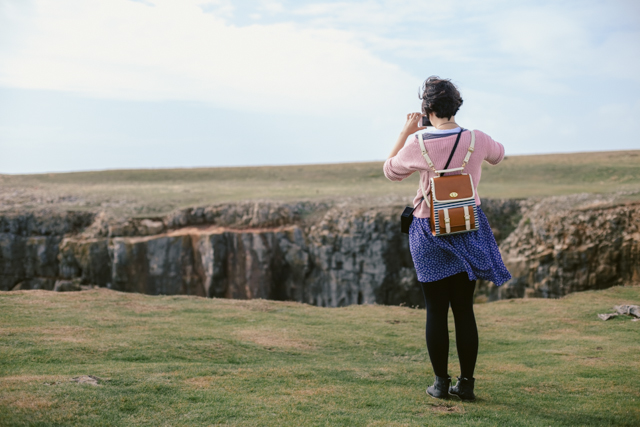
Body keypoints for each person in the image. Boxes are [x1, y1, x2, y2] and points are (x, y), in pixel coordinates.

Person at [383, 76, 511, 401]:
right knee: (464, 309)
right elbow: (500, 155)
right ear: (457, 105)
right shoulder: (476, 139)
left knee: (435, 310)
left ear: (426, 109)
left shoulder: (418, 144)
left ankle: (441, 384)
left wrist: (406, 131)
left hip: (429, 229)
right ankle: (466, 384)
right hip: (467, 226)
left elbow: (390, 170)